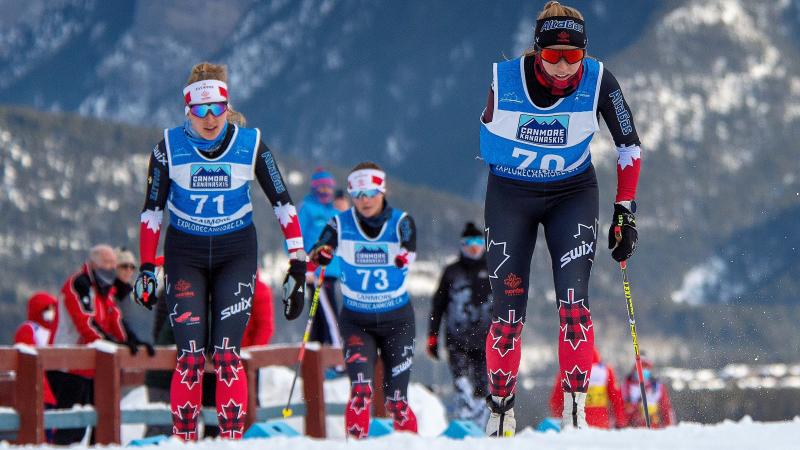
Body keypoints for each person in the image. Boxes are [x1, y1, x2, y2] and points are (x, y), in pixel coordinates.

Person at [479, 1, 642, 435]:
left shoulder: (599, 79)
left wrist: (624, 212)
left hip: (572, 194)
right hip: (511, 196)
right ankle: (499, 415)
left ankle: (575, 416)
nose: (565, 68)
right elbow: (490, 148)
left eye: (575, 57)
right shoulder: (505, 78)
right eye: (553, 56)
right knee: (508, 317)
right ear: (536, 52)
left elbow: (629, 145)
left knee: (573, 306)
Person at [133, 62, 307, 441]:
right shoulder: (167, 149)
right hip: (186, 254)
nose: (210, 118)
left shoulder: (251, 145)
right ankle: (184, 441)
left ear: (228, 107)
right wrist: (146, 267)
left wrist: (298, 264)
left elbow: (284, 204)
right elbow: (151, 211)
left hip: (235, 253)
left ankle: (229, 442)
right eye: (200, 110)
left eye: (217, 108)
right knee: (191, 358)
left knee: (227, 356)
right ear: (187, 111)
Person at [309, 162, 418, 439]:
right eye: (358, 194)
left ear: (382, 191)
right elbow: (322, 246)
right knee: (360, 392)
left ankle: (412, 444)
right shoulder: (339, 222)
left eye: (371, 193)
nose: (365, 200)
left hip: (397, 321)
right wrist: (321, 254)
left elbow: (409, 245)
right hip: (358, 321)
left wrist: (404, 255)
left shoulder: (401, 221)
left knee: (397, 400)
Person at [50, 245, 153, 444]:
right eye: (107, 263)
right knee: (68, 426)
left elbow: (114, 318)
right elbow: (85, 323)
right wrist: (110, 343)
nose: (111, 268)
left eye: (113, 264)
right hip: (66, 364)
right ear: (94, 263)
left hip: (89, 366)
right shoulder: (79, 284)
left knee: (95, 423)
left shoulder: (103, 289)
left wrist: (129, 340)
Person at [427, 222, 493, 425]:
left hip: (486, 340)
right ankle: (465, 422)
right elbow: (437, 305)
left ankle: (483, 427)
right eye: (468, 243)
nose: (473, 247)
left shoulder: (493, 268)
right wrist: (432, 336)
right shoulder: (451, 272)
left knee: (483, 387)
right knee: (462, 384)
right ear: (461, 245)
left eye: (478, 242)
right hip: (457, 340)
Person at [298, 168, 343, 348]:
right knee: (328, 312)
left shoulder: (335, 211)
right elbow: (295, 236)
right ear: (314, 188)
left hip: (333, 268)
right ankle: (336, 353)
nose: (325, 191)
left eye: (328, 187)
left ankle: (318, 350)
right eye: (321, 187)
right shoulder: (307, 208)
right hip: (315, 269)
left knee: (320, 312)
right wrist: (302, 264)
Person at [549, 347, 626, 429]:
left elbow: (556, 400)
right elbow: (616, 398)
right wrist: (620, 420)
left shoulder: (566, 371)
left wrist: (560, 418)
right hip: (601, 424)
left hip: (576, 425)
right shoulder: (605, 371)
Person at [14, 292, 58, 408]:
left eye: (53, 308)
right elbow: (27, 359)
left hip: (56, 385)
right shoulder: (29, 329)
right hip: (39, 387)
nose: (51, 312)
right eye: (47, 308)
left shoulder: (54, 330)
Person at [622, 356, 675, 428]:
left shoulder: (657, 387)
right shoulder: (627, 386)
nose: (643, 370)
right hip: (633, 429)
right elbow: (622, 409)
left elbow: (666, 408)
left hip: (654, 427)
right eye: (640, 367)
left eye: (646, 367)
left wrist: (669, 426)